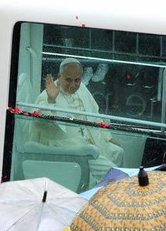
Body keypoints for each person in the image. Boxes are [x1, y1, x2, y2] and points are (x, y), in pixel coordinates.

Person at [33, 58, 124, 186]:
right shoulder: (48, 95)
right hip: (68, 148)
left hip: (89, 139)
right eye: (68, 80)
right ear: (59, 76)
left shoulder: (81, 88)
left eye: (77, 80)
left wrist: (108, 138)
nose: (73, 84)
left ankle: (104, 192)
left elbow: (94, 116)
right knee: (116, 175)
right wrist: (51, 101)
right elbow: (39, 123)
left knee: (118, 152)